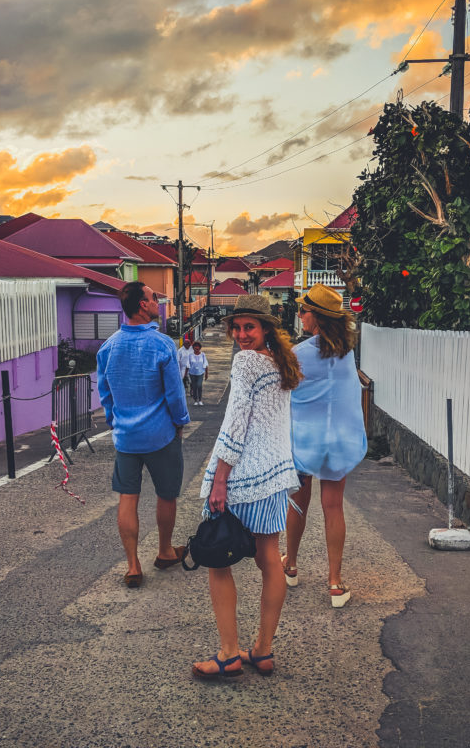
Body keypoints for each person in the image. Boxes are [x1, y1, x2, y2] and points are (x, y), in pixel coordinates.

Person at [191, 295, 302, 679]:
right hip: (275, 477)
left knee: (217, 558)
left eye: (249, 327)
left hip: (241, 476)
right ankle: (263, 650)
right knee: (270, 560)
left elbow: (235, 423)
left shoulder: (247, 362)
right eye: (236, 328)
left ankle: (228, 654)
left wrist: (219, 479)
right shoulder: (281, 363)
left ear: (266, 328)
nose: (241, 335)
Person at [97, 282, 191, 589]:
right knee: (166, 494)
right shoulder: (162, 344)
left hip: (126, 437)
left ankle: (133, 565)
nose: (157, 302)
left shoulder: (107, 347)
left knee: (128, 497)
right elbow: (174, 394)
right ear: (141, 306)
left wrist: (115, 420)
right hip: (160, 434)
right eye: (153, 298)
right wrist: (180, 421)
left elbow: (105, 393)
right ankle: (164, 550)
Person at [282, 283, 367, 608]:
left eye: (303, 310)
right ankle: (334, 582)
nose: (300, 314)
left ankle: (290, 564)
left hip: (304, 444)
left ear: (315, 317)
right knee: (333, 507)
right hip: (338, 444)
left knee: (298, 504)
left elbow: (283, 389)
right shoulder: (346, 353)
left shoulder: (299, 355)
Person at [185, 341, 209, 406]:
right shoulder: (190, 355)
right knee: (194, 386)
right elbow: (187, 365)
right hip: (192, 373)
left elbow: (206, 364)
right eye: (195, 348)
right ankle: (195, 400)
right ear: (193, 348)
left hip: (200, 373)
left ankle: (200, 400)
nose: (197, 349)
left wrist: (206, 374)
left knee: (199, 385)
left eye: (198, 348)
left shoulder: (203, 355)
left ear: (200, 348)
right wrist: (185, 374)